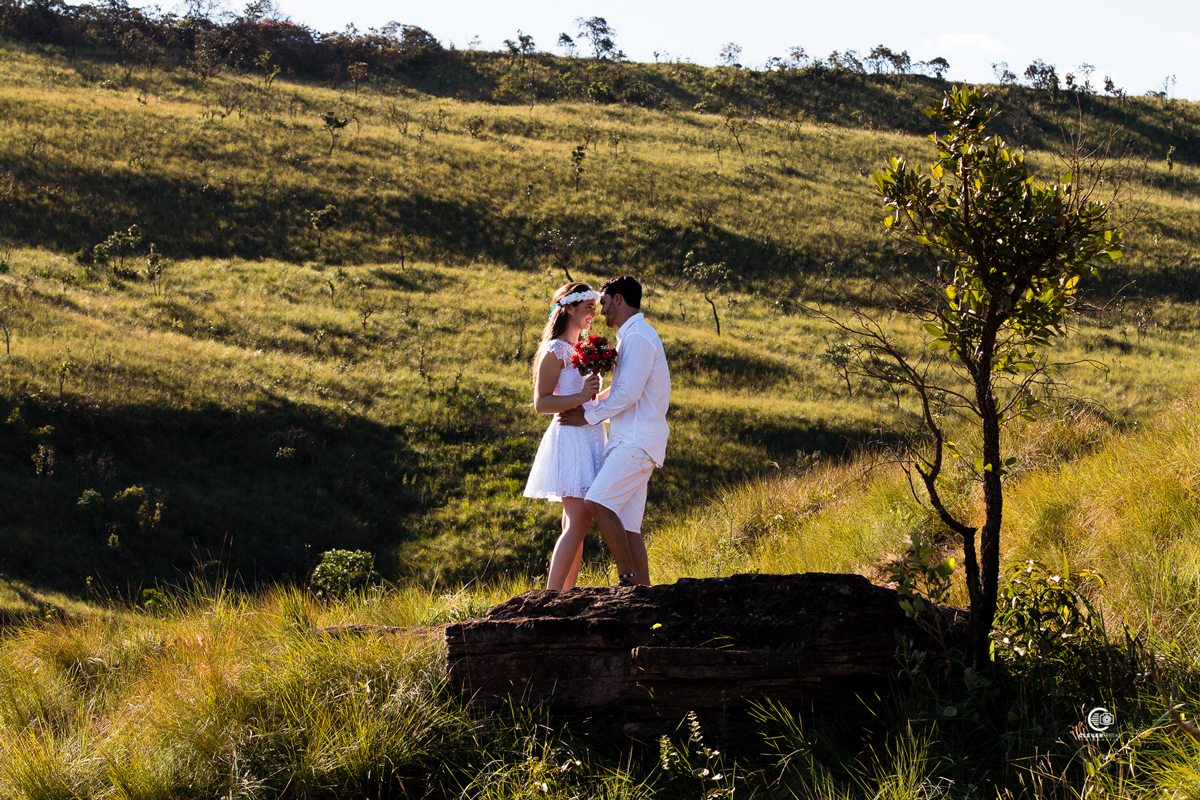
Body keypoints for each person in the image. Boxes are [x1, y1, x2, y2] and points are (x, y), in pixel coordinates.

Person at [558, 275, 670, 587]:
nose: (602, 312)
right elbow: (620, 390)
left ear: (618, 300)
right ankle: (644, 594)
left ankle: (626, 578)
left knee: (598, 503)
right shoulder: (632, 337)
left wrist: (588, 416)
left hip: (636, 441)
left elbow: (628, 394)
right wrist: (588, 402)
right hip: (634, 439)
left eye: (605, 303)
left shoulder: (638, 338)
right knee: (628, 524)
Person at [523, 282, 604, 590]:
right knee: (579, 519)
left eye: (595, 309)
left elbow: (588, 399)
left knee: (575, 522)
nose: (592, 315)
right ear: (568, 309)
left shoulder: (580, 350)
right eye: (587, 308)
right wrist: (581, 396)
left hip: (589, 436)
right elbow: (541, 403)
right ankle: (552, 595)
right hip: (570, 438)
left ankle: (566, 594)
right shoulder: (555, 350)